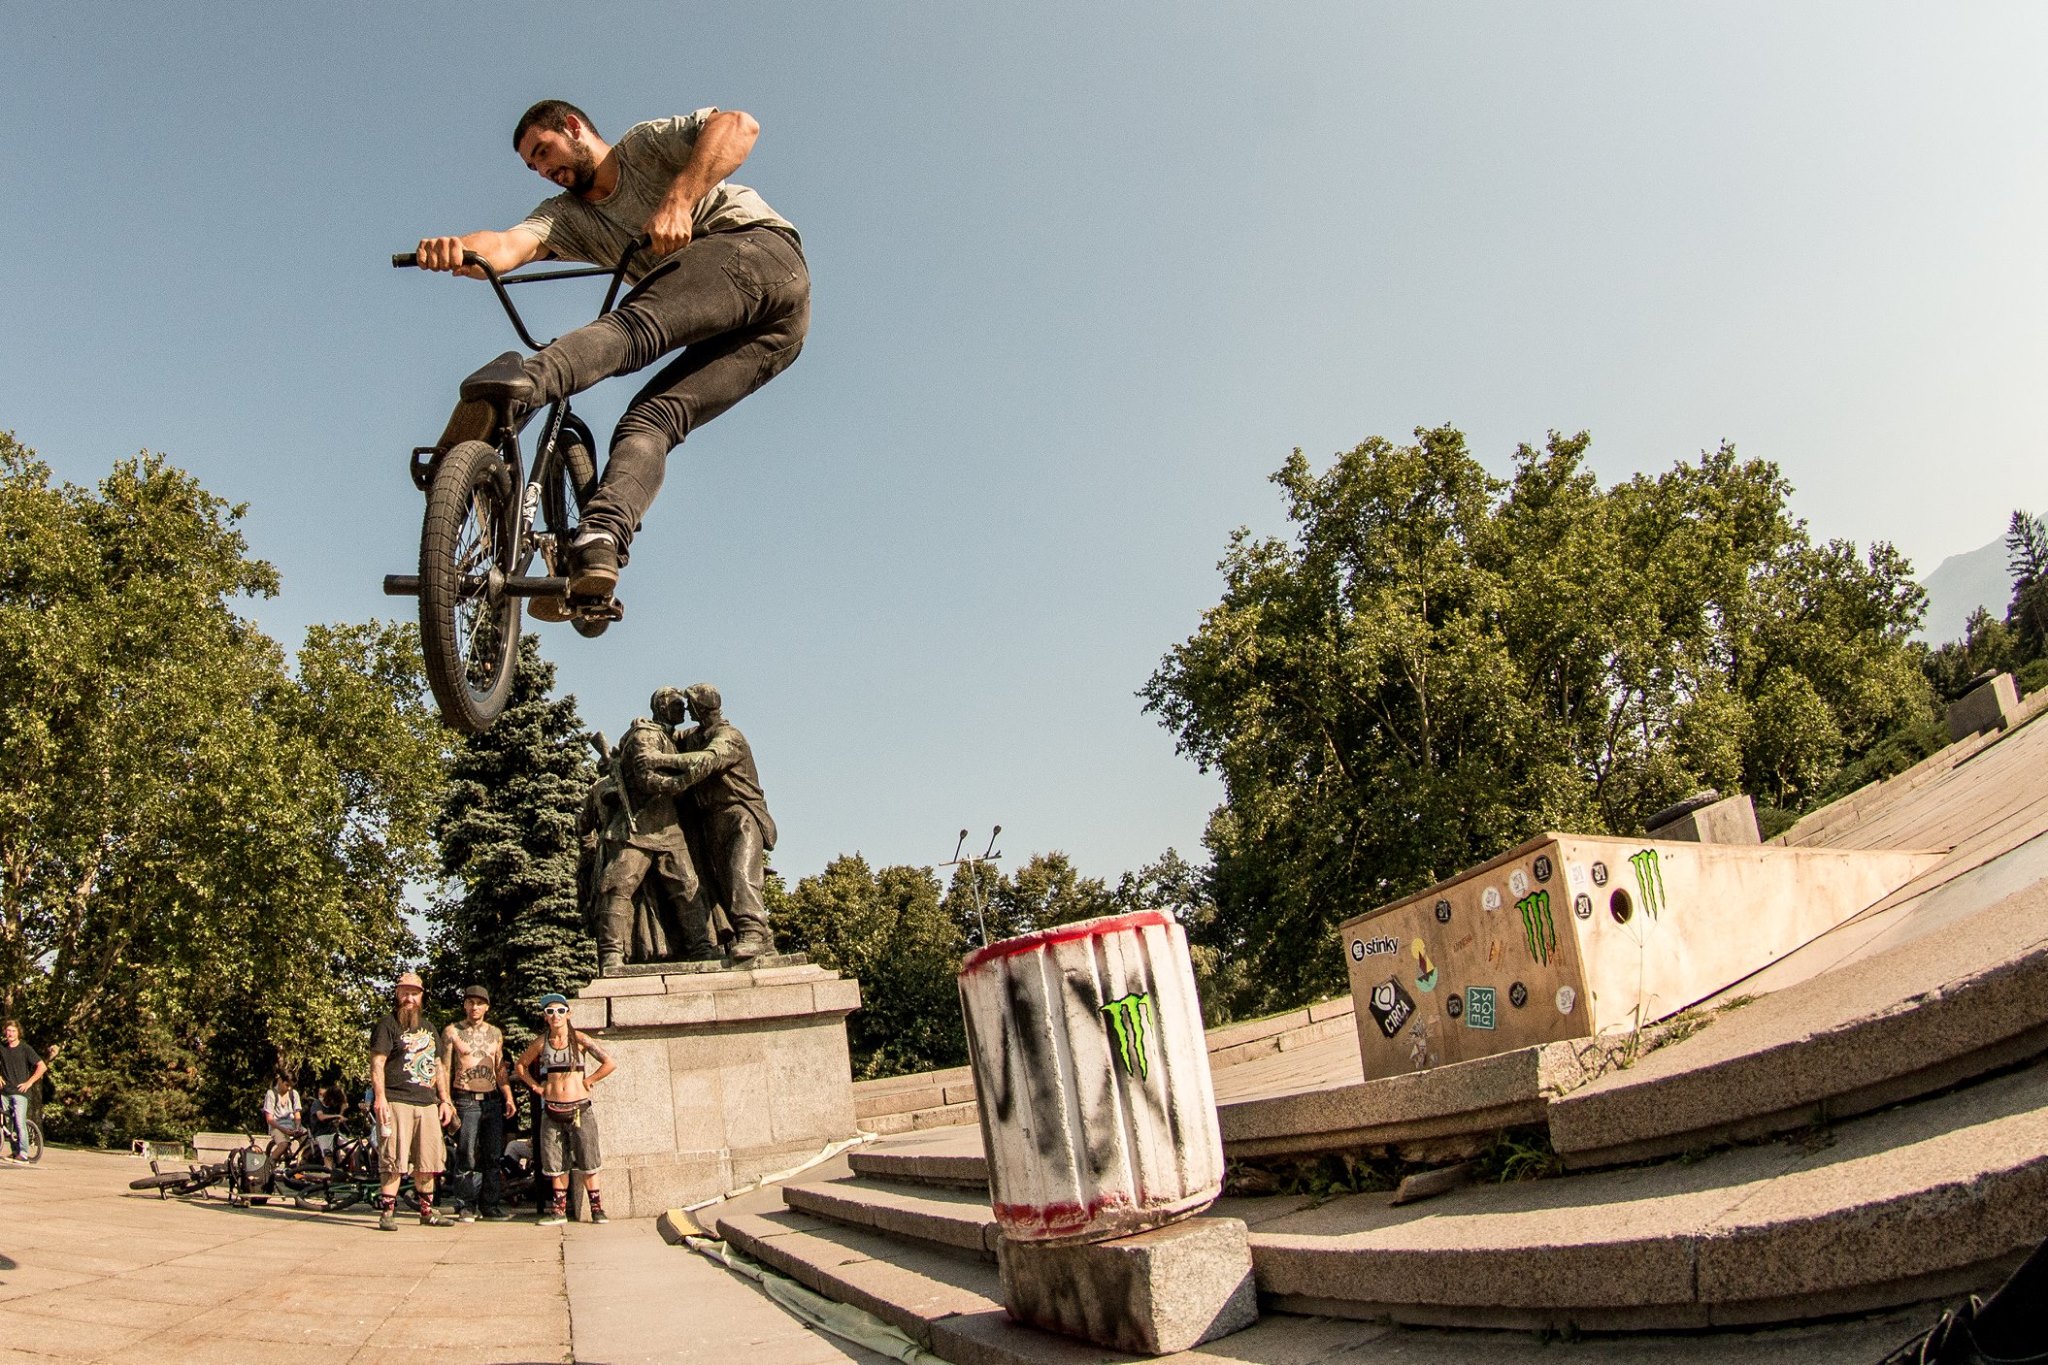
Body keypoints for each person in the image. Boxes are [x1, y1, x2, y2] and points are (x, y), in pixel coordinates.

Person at [414, 99, 810, 613]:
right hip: (772, 335)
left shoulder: (644, 146)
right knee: (653, 420)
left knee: (632, 328)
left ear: (573, 128)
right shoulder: (565, 218)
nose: (545, 170)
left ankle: (516, 392)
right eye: (533, 167)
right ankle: (598, 543)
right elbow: (509, 245)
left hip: (756, 255)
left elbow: (739, 124)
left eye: (544, 151)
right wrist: (460, 251)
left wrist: (679, 201)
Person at [639, 683, 779, 961]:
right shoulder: (695, 735)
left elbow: (708, 760)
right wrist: (649, 727)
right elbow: (670, 733)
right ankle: (763, 940)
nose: (687, 710)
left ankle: (752, 933)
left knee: (740, 874)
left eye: (691, 706)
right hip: (711, 820)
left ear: (701, 708)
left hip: (741, 815)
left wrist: (659, 759)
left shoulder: (729, 736)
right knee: (721, 883)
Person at [514, 994, 615, 1225]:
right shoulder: (541, 1042)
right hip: (552, 1109)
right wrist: (535, 1086)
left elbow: (609, 1062)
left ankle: (597, 1209)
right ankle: (559, 1211)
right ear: (545, 1017)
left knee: (588, 1158)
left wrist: (589, 1080)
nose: (555, 1016)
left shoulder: (580, 1039)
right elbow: (521, 1065)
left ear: (568, 1014)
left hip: (579, 1109)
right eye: (550, 1012)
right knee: (556, 1162)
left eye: (560, 1011)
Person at [369, 971, 456, 1230]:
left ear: (422, 996)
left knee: (428, 1160)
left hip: (427, 1103)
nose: (410, 998)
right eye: (405, 992)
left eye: (414, 993)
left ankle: (427, 1212)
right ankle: (387, 1212)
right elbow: (377, 1064)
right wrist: (380, 1098)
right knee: (393, 1158)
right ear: (397, 994)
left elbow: (439, 1067)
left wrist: (445, 1100)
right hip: (397, 1100)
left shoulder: (429, 1028)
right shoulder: (387, 1024)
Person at [441, 984, 517, 1222]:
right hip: (465, 1099)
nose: (475, 1007)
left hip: (492, 1101)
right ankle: (465, 1204)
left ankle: (490, 1205)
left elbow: (500, 1068)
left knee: (493, 1155)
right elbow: (444, 1068)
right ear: (464, 1004)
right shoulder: (452, 1032)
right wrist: (445, 1100)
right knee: (466, 1155)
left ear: (487, 1007)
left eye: (479, 1003)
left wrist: (508, 1096)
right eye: (470, 1002)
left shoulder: (495, 1033)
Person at [0, 1019, 46, 1164]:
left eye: (13, 1031)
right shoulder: (1, 1047)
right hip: (4, 1091)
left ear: (18, 1032)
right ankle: (15, 1152)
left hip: (20, 1092)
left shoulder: (25, 1049)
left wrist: (29, 1082)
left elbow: (42, 1066)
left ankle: (24, 1154)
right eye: (8, 1031)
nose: (10, 1034)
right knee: (9, 1124)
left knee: (19, 1123)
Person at [261, 1069, 308, 1164]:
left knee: (308, 1139)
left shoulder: (293, 1094)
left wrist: (298, 1127)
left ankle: (302, 1163)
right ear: (280, 1081)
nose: (289, 1088)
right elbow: (269, 1119)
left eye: (291, 1086)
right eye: (287, 1085)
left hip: (292, 1124)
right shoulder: (271, 1094)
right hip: (277, 1125)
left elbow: (297, 1114)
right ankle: (268, 1166)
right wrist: (284, 1130)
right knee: (284, 1144)